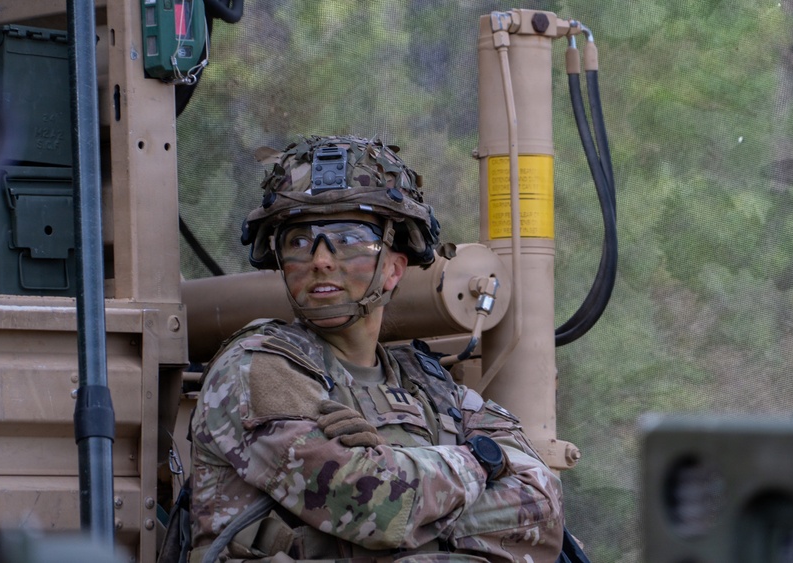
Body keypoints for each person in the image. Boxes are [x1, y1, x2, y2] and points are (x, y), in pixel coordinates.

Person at [188, 135, 565, 562]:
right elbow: (378, 506)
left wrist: (401, 467)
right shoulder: (258, 369)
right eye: (299, 240)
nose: (321, 260)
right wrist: (481, 461)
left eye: (348, 239)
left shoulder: (429, 385)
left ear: (393, 269)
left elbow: (541, 505)